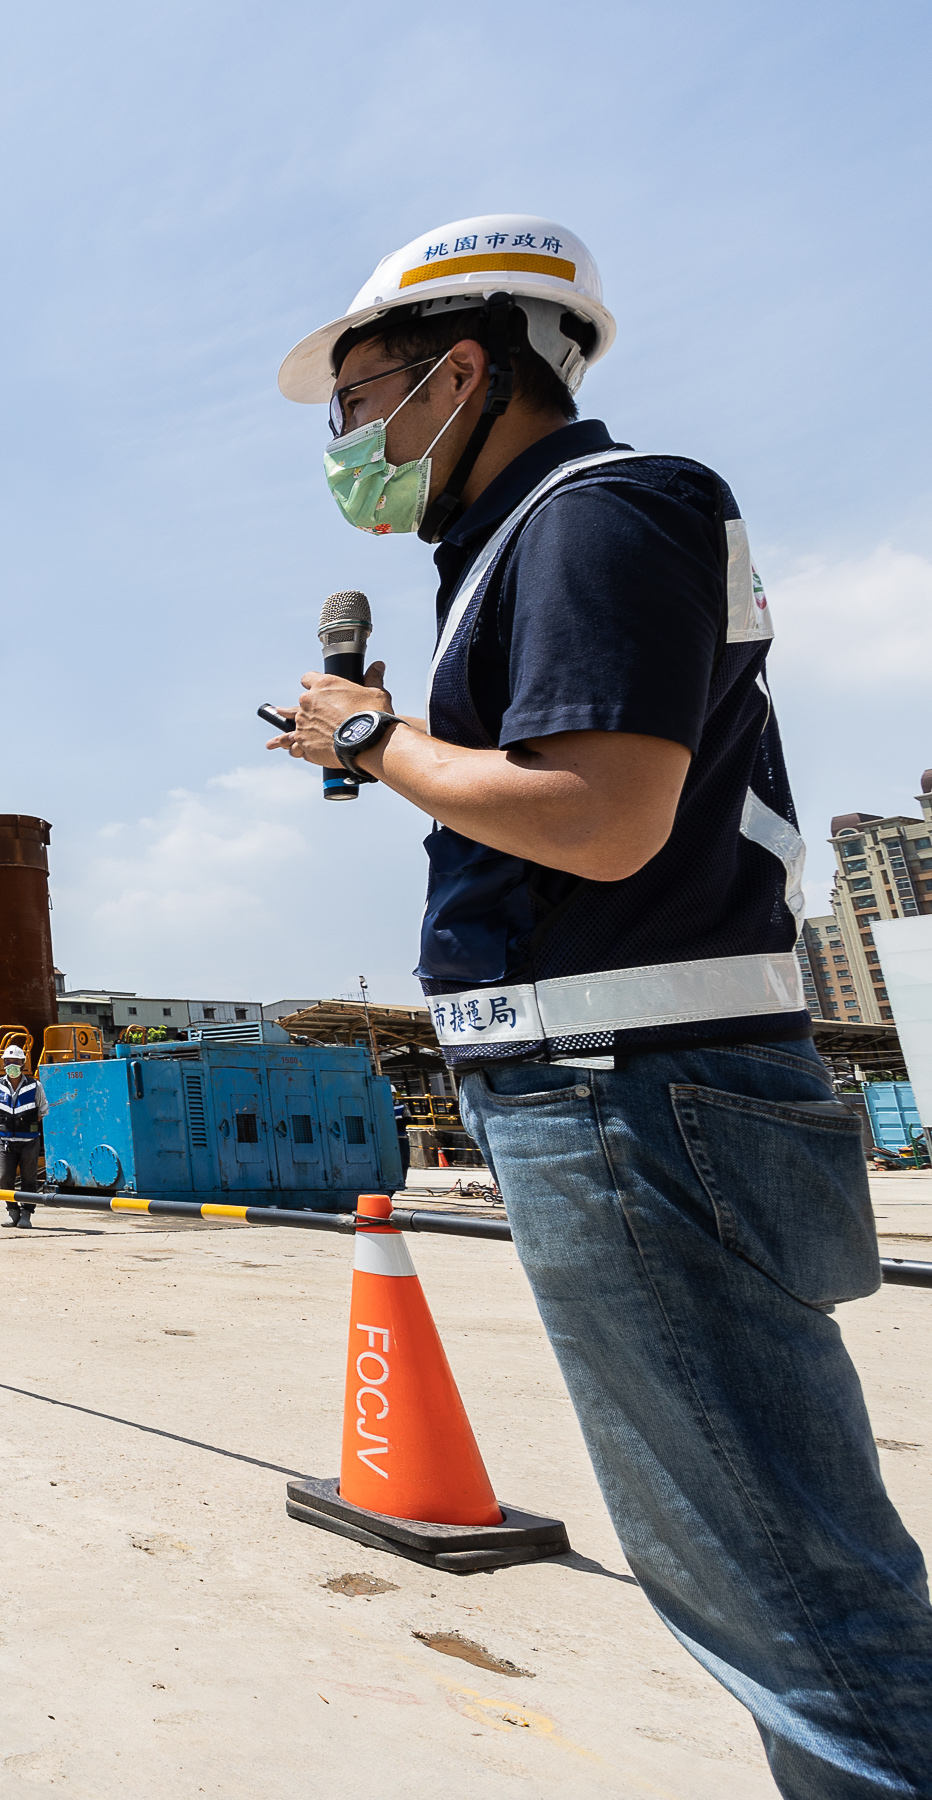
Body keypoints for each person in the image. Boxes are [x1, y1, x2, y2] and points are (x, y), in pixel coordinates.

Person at [270, 214, 932, 1794]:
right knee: (776, 1564)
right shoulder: (537, 538)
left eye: (360, 399)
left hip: (631, 1087)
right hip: (621, 1086)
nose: (348, 441)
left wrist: (373, 742)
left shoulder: (598, 510)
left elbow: (600, 816)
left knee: (782, 1586)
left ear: (466, 368)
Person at [0, 1043, 43, 1227]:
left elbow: (41, 1111)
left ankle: (27, 1214)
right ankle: (12, 1211)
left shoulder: (35, 1085)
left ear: (23, 1063)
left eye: (15, 1061)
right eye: (8, 1061)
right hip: (5, 1142)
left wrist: (25, 1125)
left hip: (29, 1142)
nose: (11, 1064)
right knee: (4, 1179)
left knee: (29, 1179)